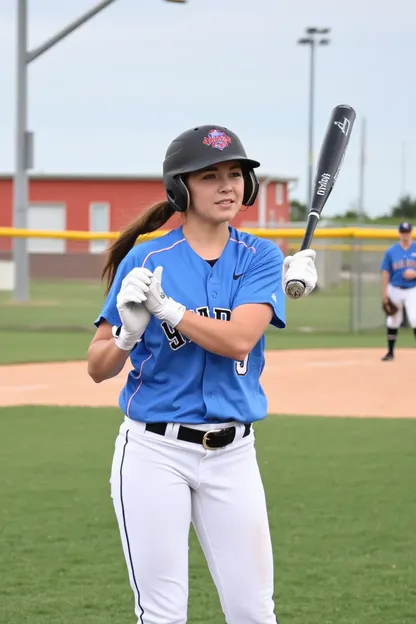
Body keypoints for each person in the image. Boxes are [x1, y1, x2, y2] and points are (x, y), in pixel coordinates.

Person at [87, 124, 318, 624]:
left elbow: (238, 339)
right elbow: (96, 366)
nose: (227, 185)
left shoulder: (260, 256)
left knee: (254, 613)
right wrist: (126, 337)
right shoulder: (147, 257)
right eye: (210, 175)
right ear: (180, 189)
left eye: (235, 174)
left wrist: (168, 310)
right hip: (154, 452)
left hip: (233, 455)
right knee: (163, 614)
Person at [380, 220, 416, 361]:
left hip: (412, 289)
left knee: (415, 319)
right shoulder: (391, 251)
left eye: (407, 232)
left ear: (411, 233)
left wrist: (414, 274)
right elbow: (385, 272)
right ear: (399, 233)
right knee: (393, 320)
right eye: (403, 232)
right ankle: (390, 352)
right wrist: (384, 294)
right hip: (394, 288)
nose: (405, 235)